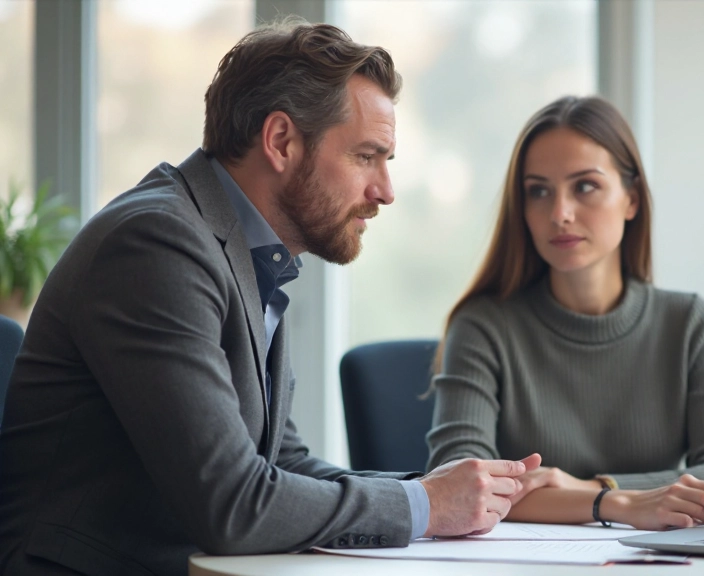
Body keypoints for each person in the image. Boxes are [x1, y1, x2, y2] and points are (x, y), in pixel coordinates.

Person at [0, 21, 541, 576]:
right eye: (366, 156)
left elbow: (282, 462)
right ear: (281, 141)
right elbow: (233, 505)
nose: (385, 191)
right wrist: (426, 506)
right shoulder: (156, 246)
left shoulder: (244, 250)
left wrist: (442, 492)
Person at [426, 96, 704, 531]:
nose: (560, 213)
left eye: (585, 186)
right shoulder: (484, 326)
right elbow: (461, 485)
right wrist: (617, 503)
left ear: (631, 199)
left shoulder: (689, 323)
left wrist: (591, 486)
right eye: (539, 191)